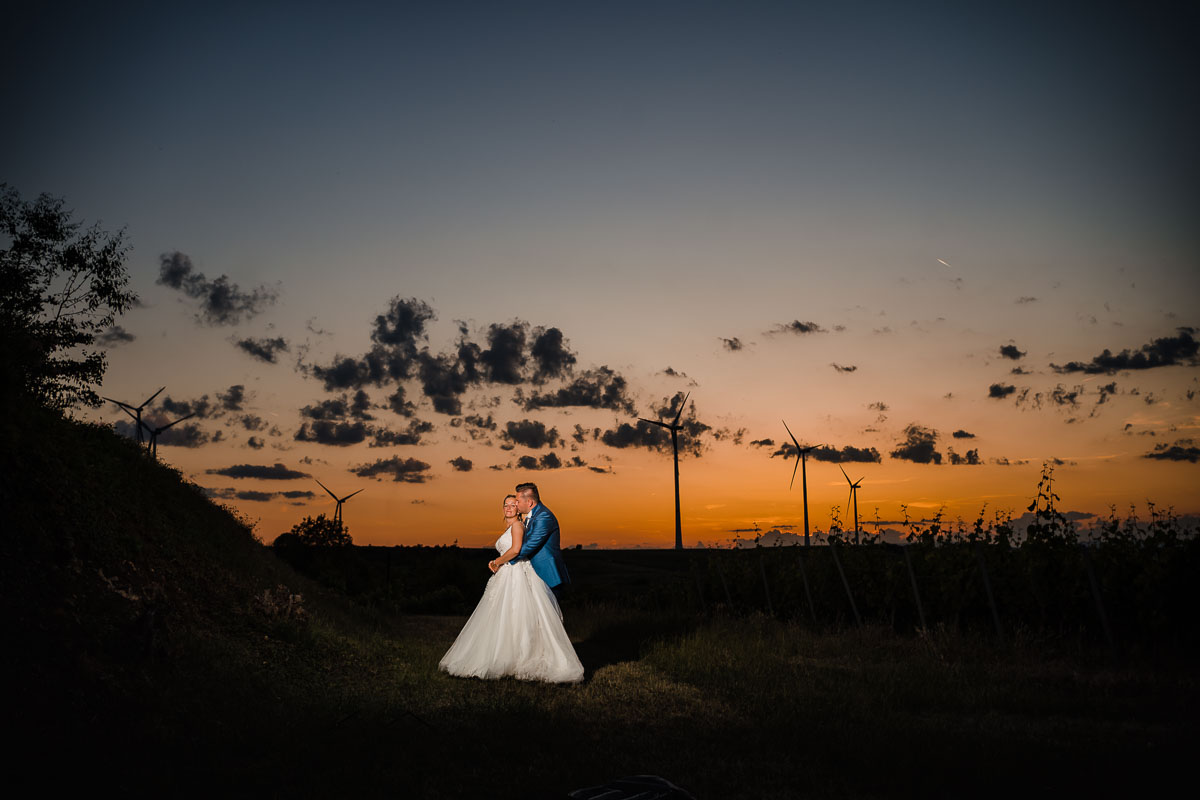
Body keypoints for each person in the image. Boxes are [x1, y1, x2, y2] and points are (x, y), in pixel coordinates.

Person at [438, 491, 583, 683]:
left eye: (513, 504)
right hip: (507, 573)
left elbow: (516, 550)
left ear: (519, 508)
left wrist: (497, 561)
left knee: (517, 613)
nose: (508, 508)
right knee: (501, 615)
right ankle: (502, 654)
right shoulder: (512, 526)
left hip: (516, 574)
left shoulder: (517, 526)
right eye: (505, 505)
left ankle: (519, 658)